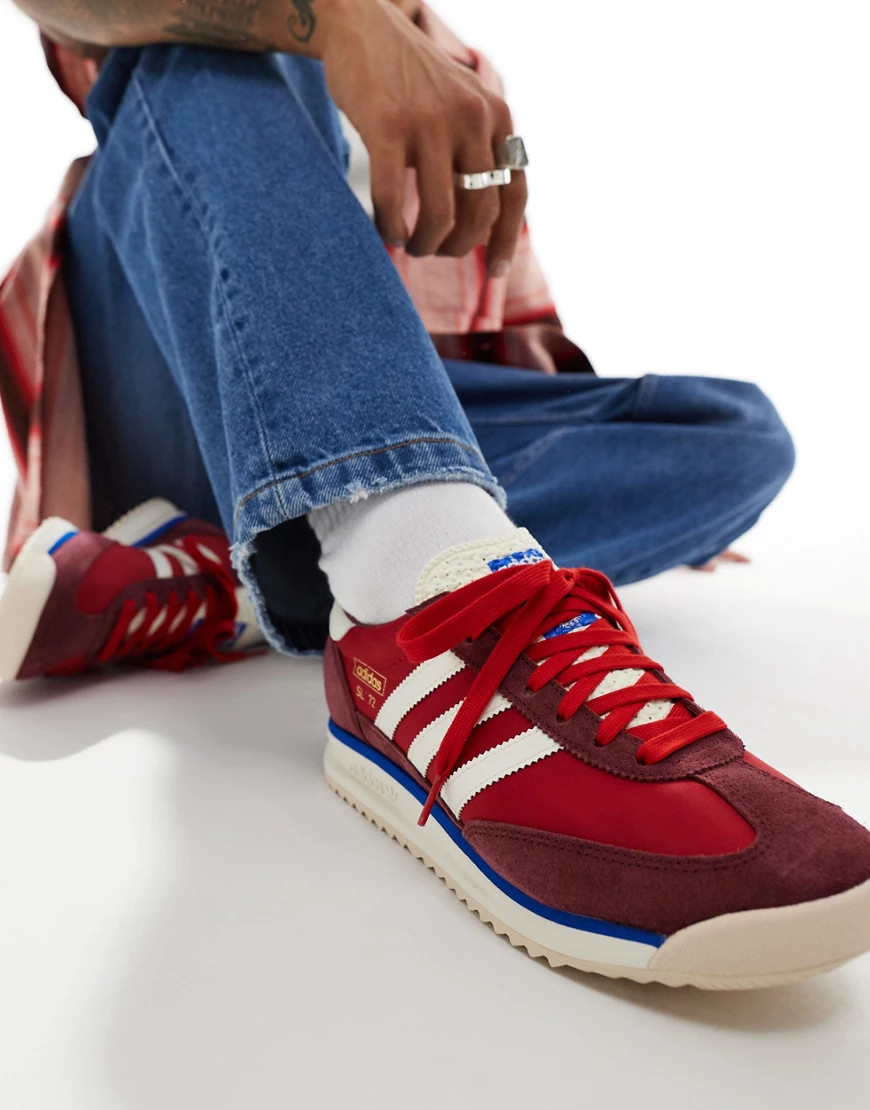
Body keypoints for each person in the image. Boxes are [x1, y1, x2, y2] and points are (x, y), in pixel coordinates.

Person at [2, 0, 869, 989]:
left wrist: (616, 476)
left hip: (365, 434)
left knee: (734, 436)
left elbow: (480, 359)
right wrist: (336, 25)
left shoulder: (461, 81)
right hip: (162, 388)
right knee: (204, 61)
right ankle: (423, 591)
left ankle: (293, 574)